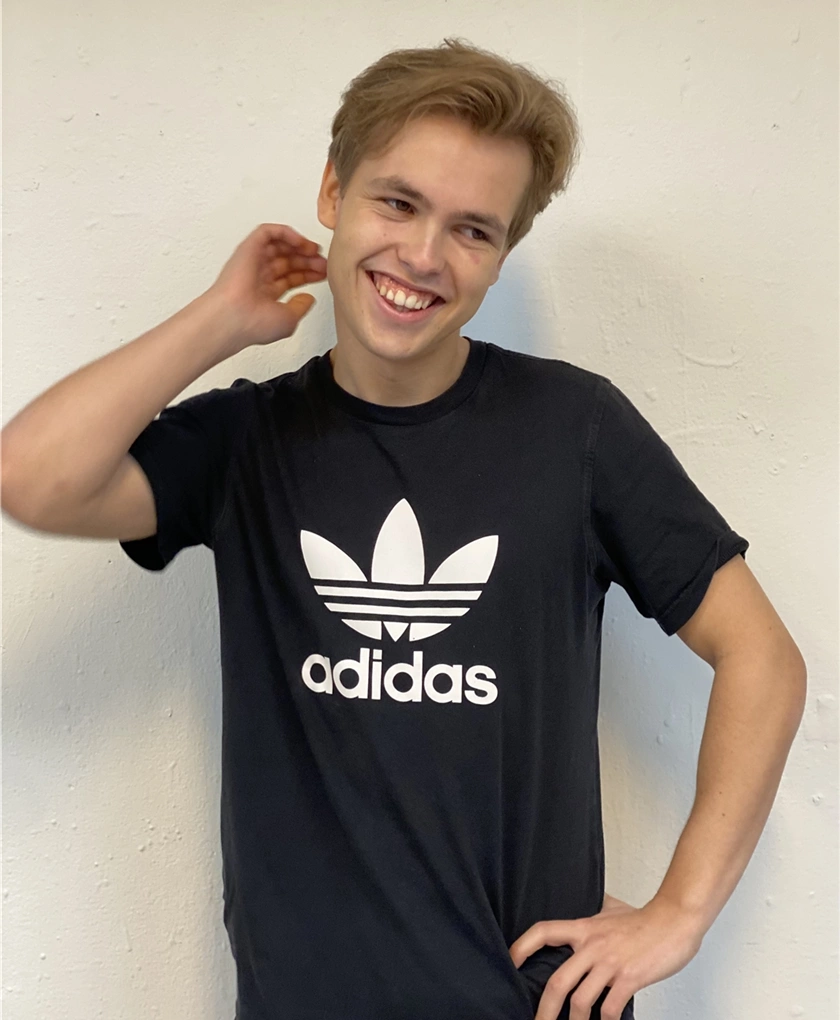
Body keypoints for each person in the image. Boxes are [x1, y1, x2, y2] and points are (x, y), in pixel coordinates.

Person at [0, 37, 807, 1020]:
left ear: (502, 253)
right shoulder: (248, 442)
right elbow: (31, 477)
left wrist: (682, 912)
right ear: (332, 192)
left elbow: (762, 656)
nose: (423, 256)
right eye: (397, 202)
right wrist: (220, 317)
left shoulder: (575, 430)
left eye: (473, 229)